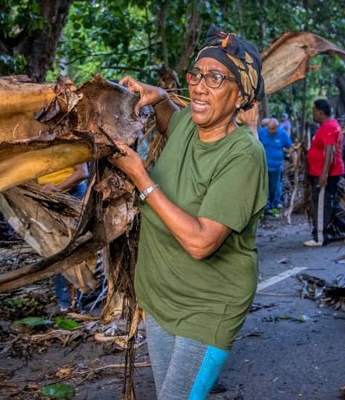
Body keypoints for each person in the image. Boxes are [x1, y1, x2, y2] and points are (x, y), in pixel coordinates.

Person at [111, 26, 267, 400]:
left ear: (242, 94)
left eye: (215, 78)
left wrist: (141, 178)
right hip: (161, 297)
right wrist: (160, 96)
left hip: (206, 308)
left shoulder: (243, 156)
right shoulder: (186, 124)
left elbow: (201, 243)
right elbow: (171, 119)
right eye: (196, 75)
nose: (199, 87)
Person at [38, 163, 89, 311]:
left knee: (74, 248)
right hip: (48, 197)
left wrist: (57, 189)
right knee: (57, 249)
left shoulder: (69, 141)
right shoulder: (36, 146)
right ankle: (66, 303)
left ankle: (74, 302)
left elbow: (82, 172)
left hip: (72, 195)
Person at [304, 99, 345, 247]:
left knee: (322, 204)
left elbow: (330, 152)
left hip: (326, 173)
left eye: (314, 111)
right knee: (330, 203)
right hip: (325, 172)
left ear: (320, 112)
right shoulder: (328, 126)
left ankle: (320, 237)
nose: (312, 114)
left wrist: (324, 174)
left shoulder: (328, 127)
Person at [258, 117, 292, 216]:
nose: (271, 131)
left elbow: (290, 147)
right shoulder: (261, 132)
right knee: (264, 186)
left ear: (277, 127)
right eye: (269, 128)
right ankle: (266, 206)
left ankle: (275, 205)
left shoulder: (283, 134)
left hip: (277, 166)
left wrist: (295, 159)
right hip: (264, 166)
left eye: (273, 129)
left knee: (275, 186)